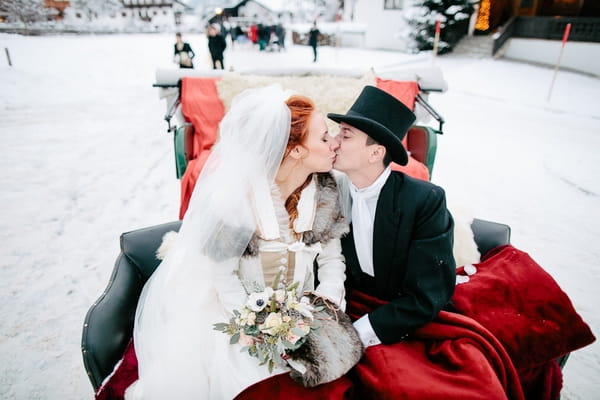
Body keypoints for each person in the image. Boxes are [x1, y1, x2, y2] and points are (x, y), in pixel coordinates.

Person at [125, 85, 360, 399]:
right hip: (241, 315)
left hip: (306, 314)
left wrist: (324, 307)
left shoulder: (327, 191)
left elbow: (332, 261)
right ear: (296, 151)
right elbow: (224, 278)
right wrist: (261, 327)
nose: (334, 144)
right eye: (323, 137)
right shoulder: (236, 200)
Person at [327, 85, 456, 347]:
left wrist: (355, 335)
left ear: (376, 153)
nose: (334, 142)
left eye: (346, 135)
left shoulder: (424, 201)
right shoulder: (329, 192)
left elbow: (427, 295)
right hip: (347, 308)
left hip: (403, 320)